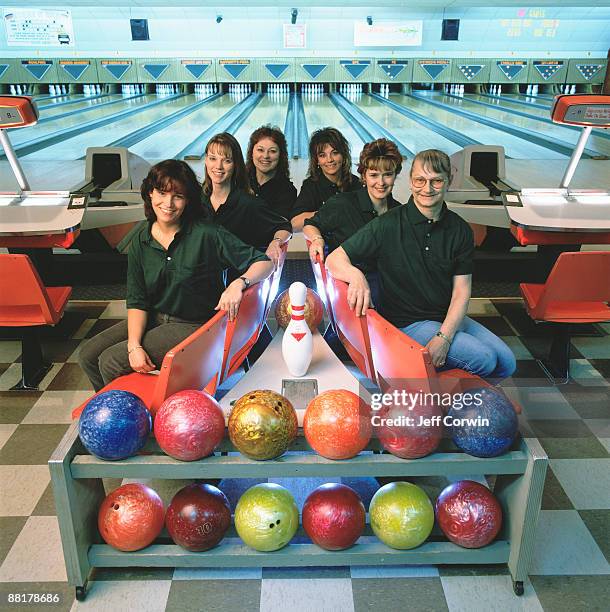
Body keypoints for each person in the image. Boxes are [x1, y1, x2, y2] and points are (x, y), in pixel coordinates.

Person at [78, 159, 274, 391]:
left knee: (111, 360)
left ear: (187, 200)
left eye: (178, 196)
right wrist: (134, 345)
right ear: (150, 194)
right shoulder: (141, 237)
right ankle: (112, 413)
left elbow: (264, 263)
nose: (168, 203)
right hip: (156, 317)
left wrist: (239, 283)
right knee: (88, 355)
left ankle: (131, 421)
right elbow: (137, 299)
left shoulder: (206, 234)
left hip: (194, 325)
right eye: (161, 193)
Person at [326, 149, 516, 380]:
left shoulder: (459, 229)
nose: (427, 189)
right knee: (483, 359)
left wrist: (444, 338)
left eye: (436, 181)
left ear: (449, 180)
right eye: (420, 180)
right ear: (411, 181)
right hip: (407, 324)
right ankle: (446, 405)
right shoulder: (387, 225)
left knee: (506, 362)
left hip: (445, 316)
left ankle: (471, 403)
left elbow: (461, 292)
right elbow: (334, 259)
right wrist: (356, 276)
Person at [303, 138, 402, 264]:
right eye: (374, 175)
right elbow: (310, 225)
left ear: (395, 175)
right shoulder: (342, 204)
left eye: (387, 174)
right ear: (364, 176)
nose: (381, 183)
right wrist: (317, 239)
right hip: (347, 279)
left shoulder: (400, 212)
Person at [201, 132, 292, 269]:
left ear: (236, 164)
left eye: (227, 160)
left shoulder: (248, 204)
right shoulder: (195, 201)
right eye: (213, 158)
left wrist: (275, 242)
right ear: (206, 160)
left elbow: (284, 226)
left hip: (236, 280)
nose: (218, 166)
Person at [290, 127, 361, 232]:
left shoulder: (355, 183)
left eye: (335, 153)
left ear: (343, 155)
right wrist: (331, 211)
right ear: (317, 160)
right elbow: (295, 224)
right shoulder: (311, 185)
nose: (330, 160)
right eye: (322, 155)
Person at [246, 125, 297, 220]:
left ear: (281, 156)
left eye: (272, 151)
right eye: (260, 150)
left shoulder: (287, 191)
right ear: (251, 153)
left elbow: (278, 227)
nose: (265, 156)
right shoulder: (238, 181)